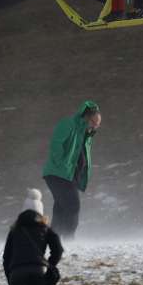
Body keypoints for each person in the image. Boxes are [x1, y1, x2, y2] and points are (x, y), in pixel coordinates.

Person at [41, 100, 100, 240]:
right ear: (86, 118)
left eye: (98, 124)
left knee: (61, 207)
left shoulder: (86, 135)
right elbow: (56, 144)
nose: (96, 127)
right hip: (58, 173)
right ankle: (68, 238)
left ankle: (53, 239)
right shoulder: (68, 124)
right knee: (73, 205)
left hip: (70, 176)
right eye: (94, 123)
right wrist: (62, 164)